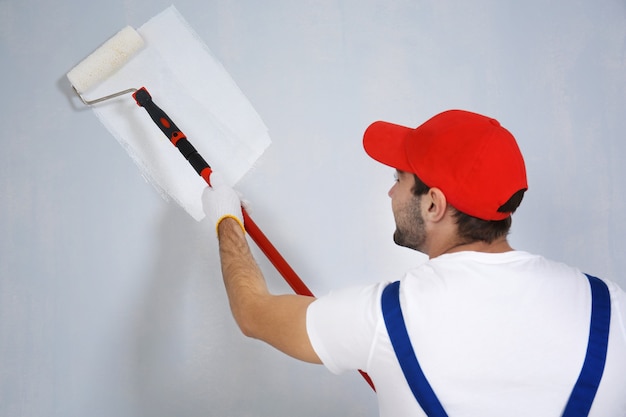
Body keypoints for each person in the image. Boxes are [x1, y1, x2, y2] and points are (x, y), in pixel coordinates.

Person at [202, 109, 626, 416]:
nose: (391, 195)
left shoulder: (383, 320)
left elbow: (253, 313)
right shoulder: (613, 307)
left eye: (398, 180)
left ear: (434, 204)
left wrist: (226, 219)